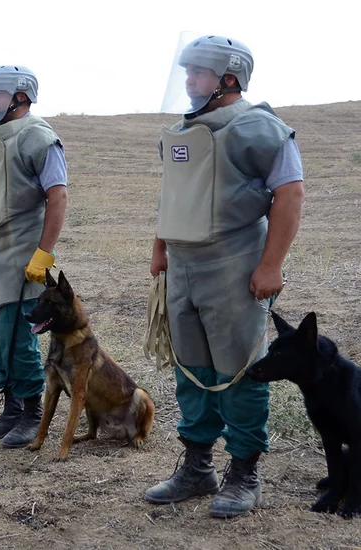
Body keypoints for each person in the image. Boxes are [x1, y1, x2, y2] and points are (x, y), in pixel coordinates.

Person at [145, 34, 304, 518]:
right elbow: (172, 195)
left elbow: (290, 194)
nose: (188, 80)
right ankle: (196, 467)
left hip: (235, 264)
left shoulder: (259, 128)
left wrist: (270, 265)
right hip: (184, 269)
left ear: (229, 78)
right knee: (192, 368)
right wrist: (159, 249)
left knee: (238, 369)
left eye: (198, 71)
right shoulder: (181, 132)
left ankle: (245, 474)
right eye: (186, 71)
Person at [0, 65, 68, 448]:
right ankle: (11, 408)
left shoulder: (38, 137)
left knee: (19, 339)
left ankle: (32, 411)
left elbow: (58, 196)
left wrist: (43, 255)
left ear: (21, 96)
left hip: (21, 256)